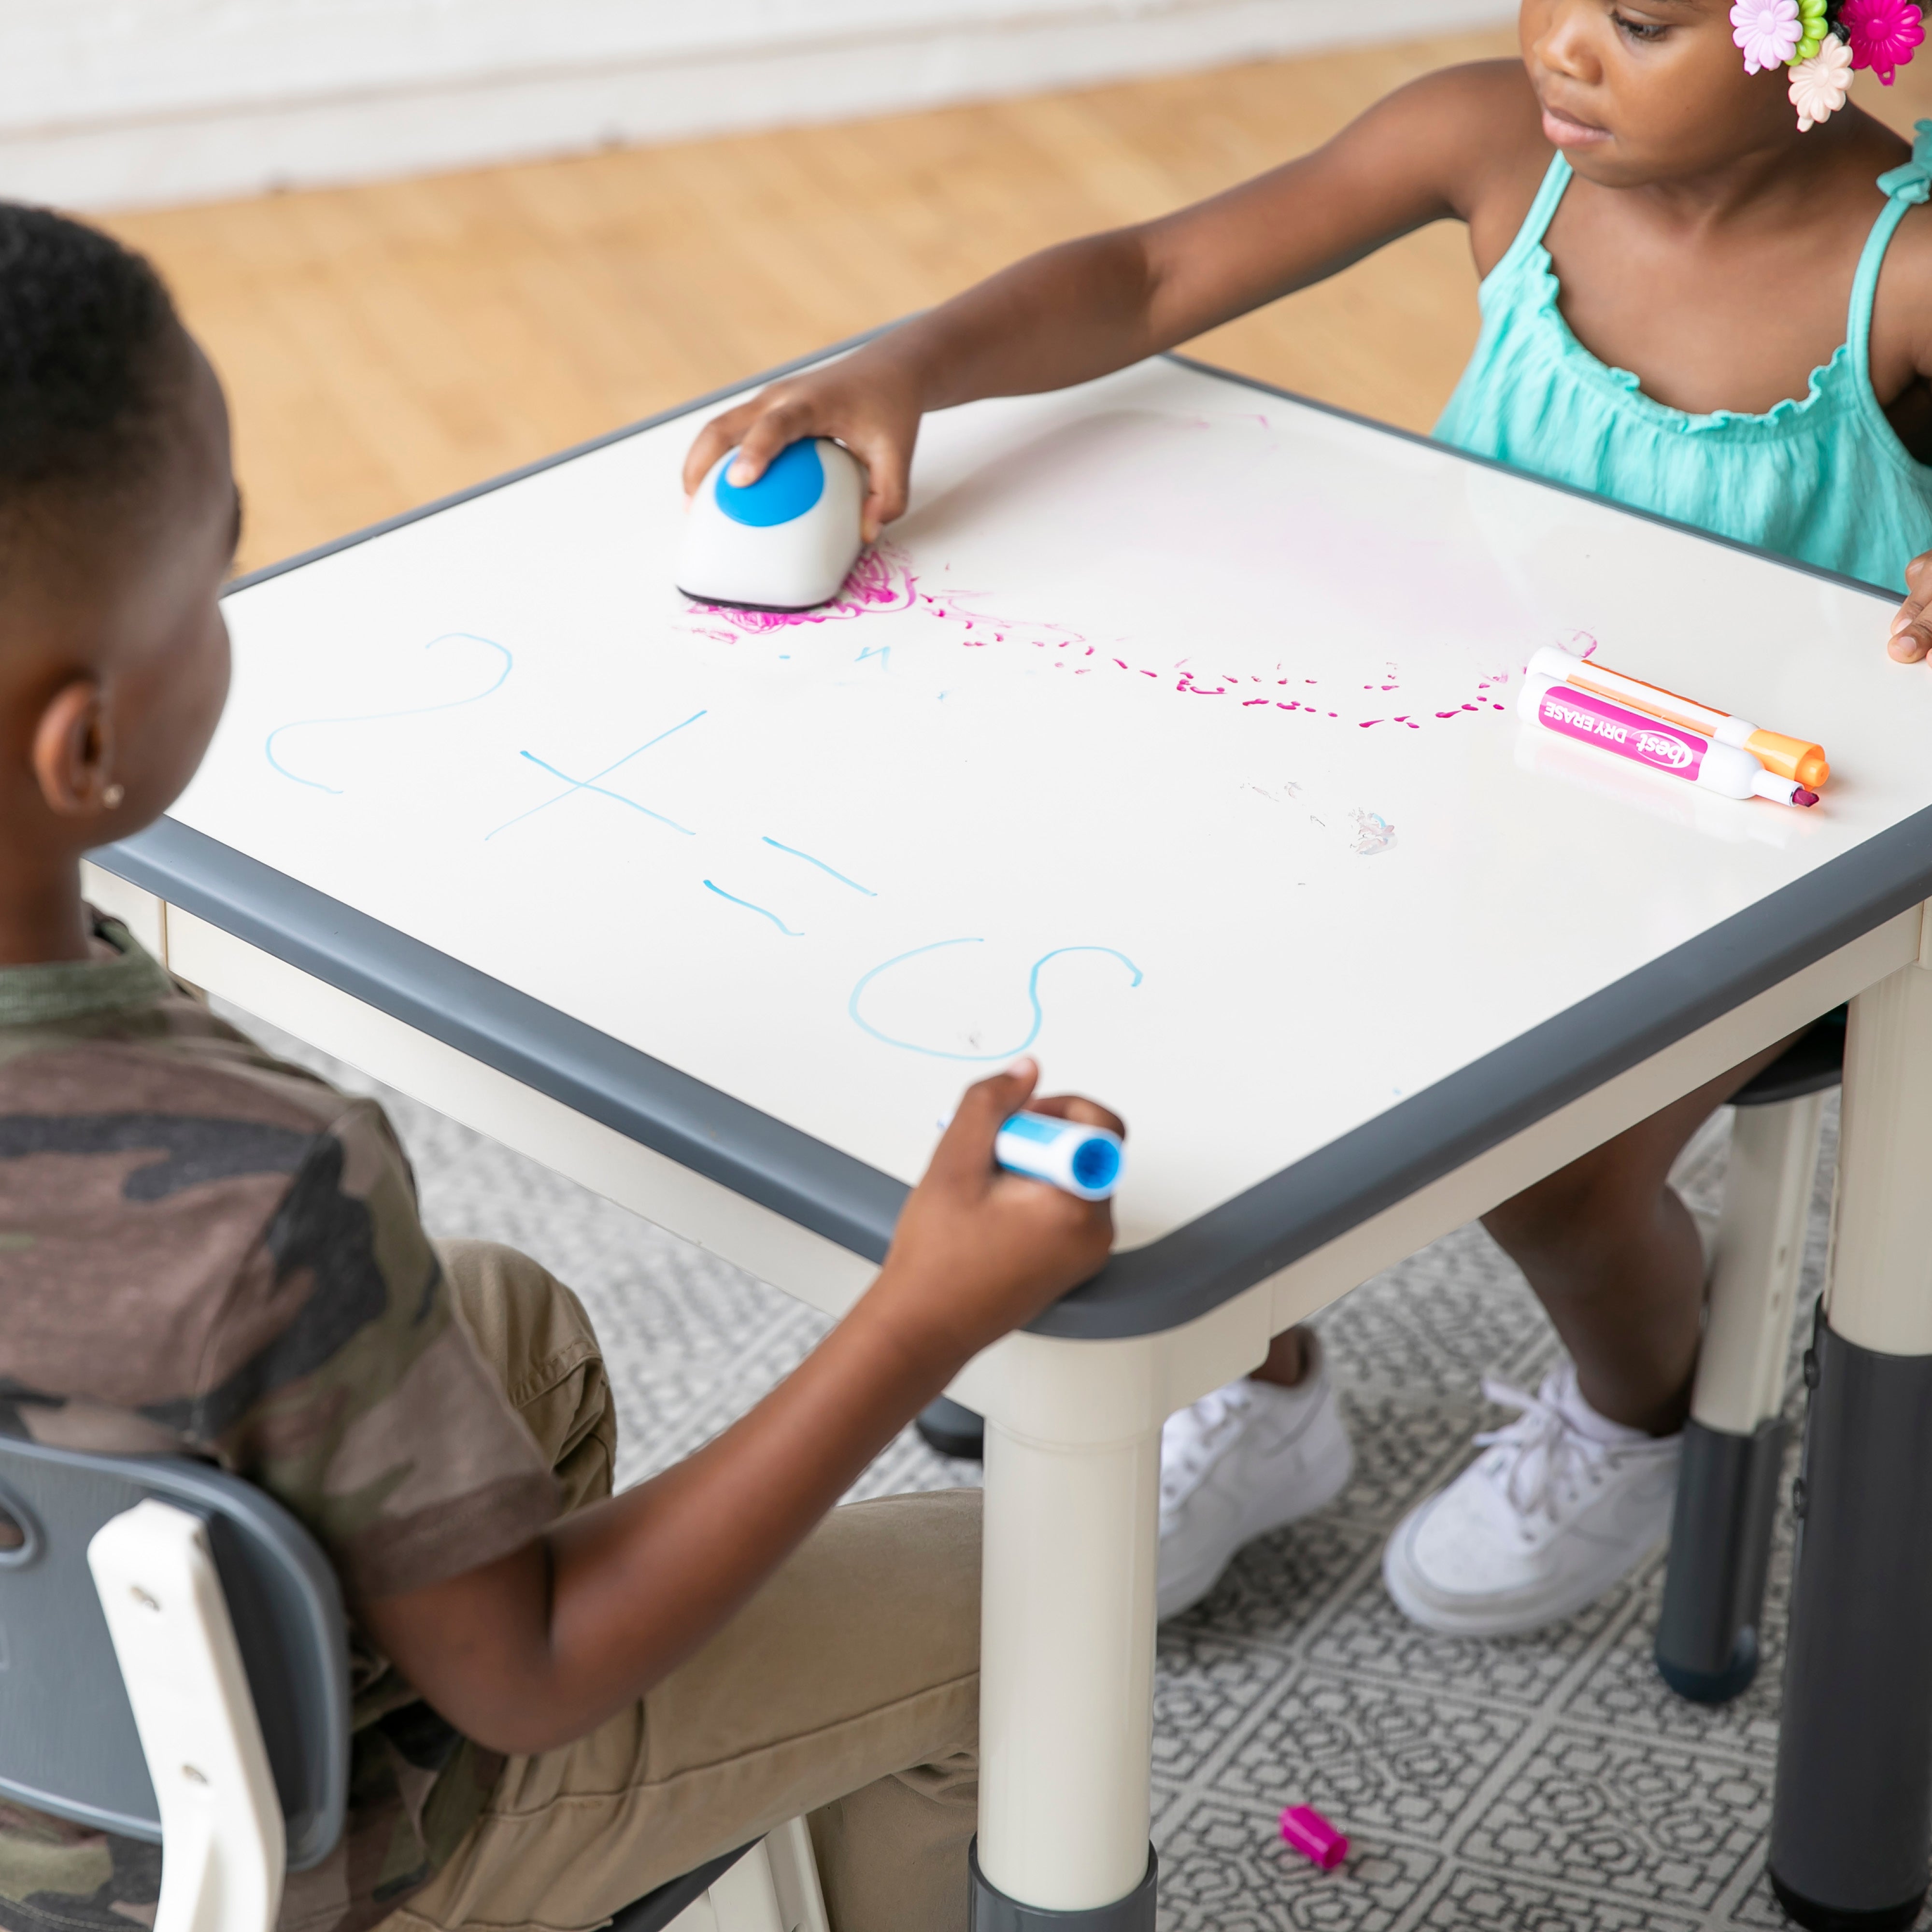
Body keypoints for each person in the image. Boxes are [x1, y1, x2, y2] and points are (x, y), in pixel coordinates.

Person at [683, 0, 1932, 1638]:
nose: (1562, 46)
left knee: (1550, 1179)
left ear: (1833, 35)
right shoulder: (1489, 144)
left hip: (1759, 866)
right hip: (1462, 771)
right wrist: (902, 365)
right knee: (1157, 965)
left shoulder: (1898, 273)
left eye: (1638, 21)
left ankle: (1637, 1411)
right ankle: (1256, 1383)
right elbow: (1148, 276)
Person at [0, 206, 1123, 1932]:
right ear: (87, 745)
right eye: (212, 579)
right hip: (236, 1878)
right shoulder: (262, 1187)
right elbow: (525, 1676)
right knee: (1030, 1603)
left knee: (511, 1323)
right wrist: (923, 1315)